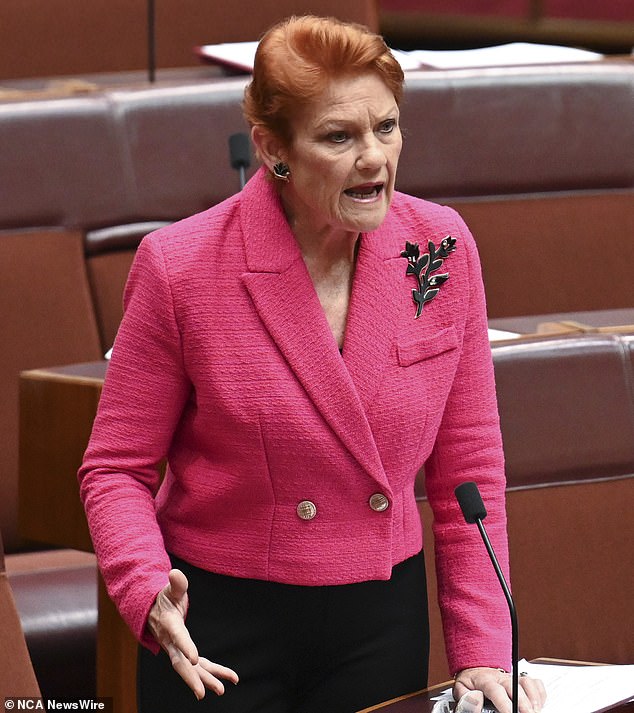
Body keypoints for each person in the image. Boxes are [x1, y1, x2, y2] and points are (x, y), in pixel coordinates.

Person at [78, 15, 546, 713]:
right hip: (220, 635)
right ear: (274, 151)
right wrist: (145, 587)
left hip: (380, 623)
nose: (374, 159)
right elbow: (115, 466)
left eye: (386, 128)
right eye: (340, 136)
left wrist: (482, 650)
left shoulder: (442, 248)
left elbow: (468, 472)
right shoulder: (181, 267)